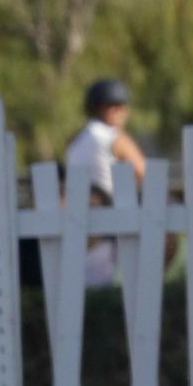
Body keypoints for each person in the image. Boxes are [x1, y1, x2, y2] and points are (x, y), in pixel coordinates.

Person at [65, 79, 146, 286]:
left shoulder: (77, 140)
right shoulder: (113, 137)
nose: (122, 112)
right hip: (109, 218)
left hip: (79, 219)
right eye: (118, 107)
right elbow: (143, 172)